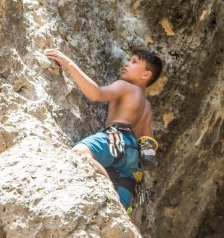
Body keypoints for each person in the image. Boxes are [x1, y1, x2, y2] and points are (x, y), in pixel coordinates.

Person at [44, 47, 163, 209]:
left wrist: (69, 64)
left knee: (80, 154)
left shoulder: (125, 86)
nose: (127, 63)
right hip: (132, 157)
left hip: (116, 138)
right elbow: (148, 144)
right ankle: (118, 204)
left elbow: (97, 94)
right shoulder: (147, 106)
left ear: (146, 75)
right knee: (121, 207)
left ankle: (108, 188)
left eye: (134, 62)